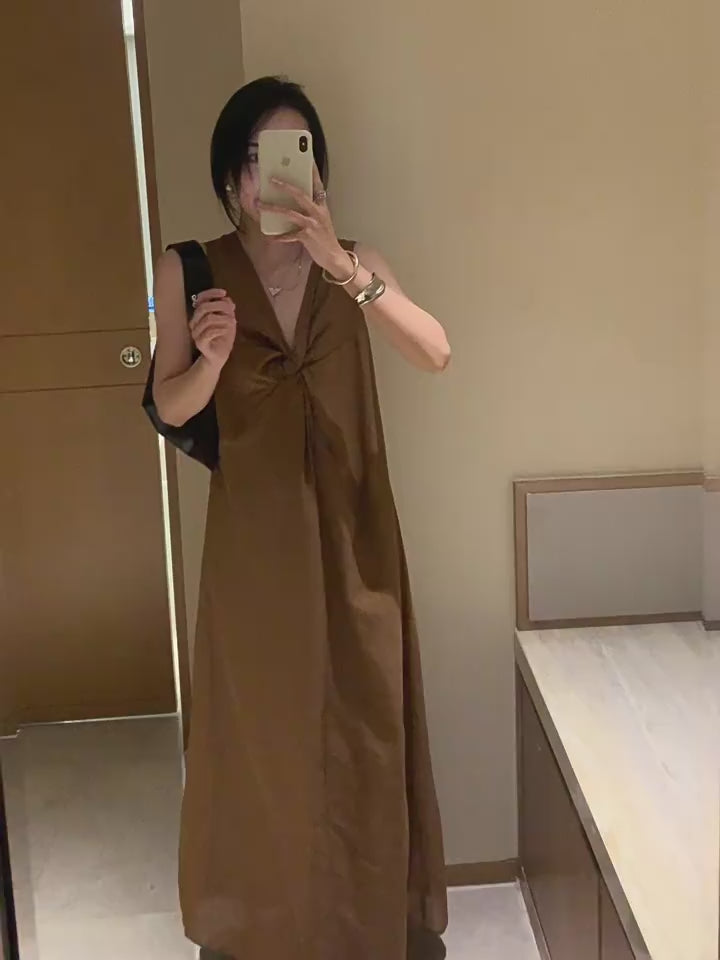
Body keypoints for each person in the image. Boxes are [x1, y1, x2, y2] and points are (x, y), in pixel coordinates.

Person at [152, 76, 451, 960]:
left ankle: (362, 924)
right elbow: (168, 407)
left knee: (364, 731)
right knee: (263, 744)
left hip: (358, 543)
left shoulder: (355, 263)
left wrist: (346, 272)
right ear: (231, 176)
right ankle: (265, 933)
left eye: (294, 153)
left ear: (318, 170)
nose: (273, 176)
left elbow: (434, 351)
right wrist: (210, 360)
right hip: (254, 553)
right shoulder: (190, 269)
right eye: (255, 158)